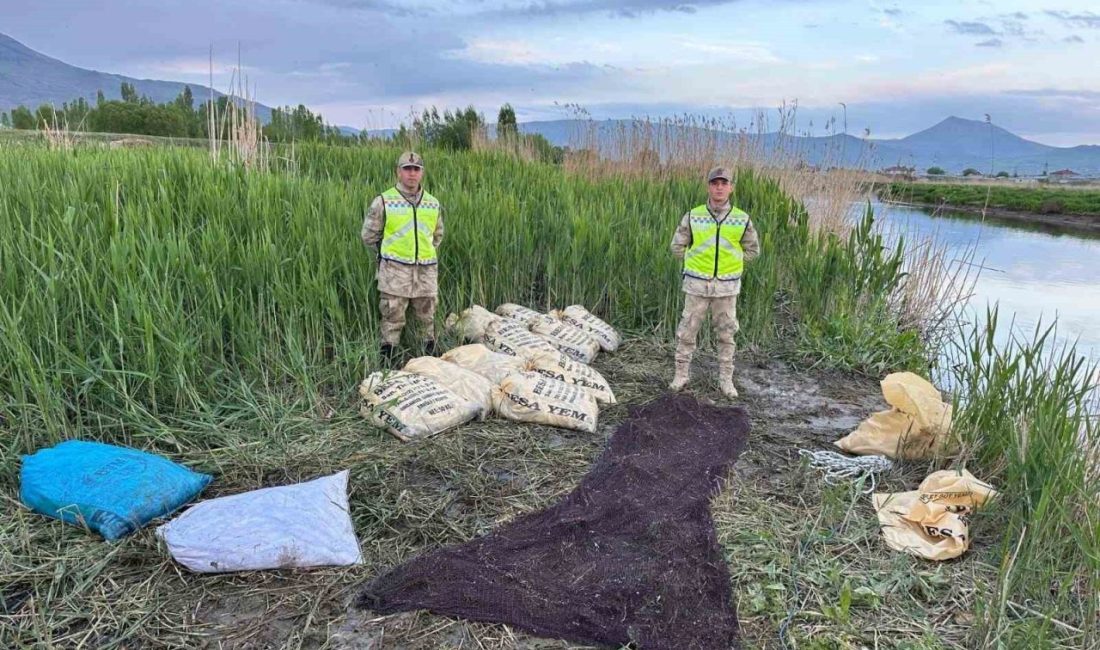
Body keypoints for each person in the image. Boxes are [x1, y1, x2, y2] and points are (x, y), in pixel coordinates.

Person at [669, 166, 760, 398]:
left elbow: (753, 250)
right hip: (696, 286)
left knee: (727, 334)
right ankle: (681, 375)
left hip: (727, 288)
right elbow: (677, 246)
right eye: (715, 183)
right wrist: (693, 263)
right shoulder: (694, 215)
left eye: (724, 183)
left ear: (731, 187)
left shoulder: (742, 219)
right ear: (708, 186)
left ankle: (726, 380)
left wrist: (734, 264)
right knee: (687, 330)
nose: (719, 187)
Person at [361, 151, 444, 362]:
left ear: (422, 173)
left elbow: (437, 235)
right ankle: (388, 361)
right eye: (407, 168)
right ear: (399, 172)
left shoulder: (432, 203)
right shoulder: (384, 201)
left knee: (427, 315)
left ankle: (429, 358)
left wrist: (422, 254)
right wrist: (389, 256)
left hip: (425, 270)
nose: (412, 173)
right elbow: (369, 236)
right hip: (394, 272)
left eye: (416, 169)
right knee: (392, 316)